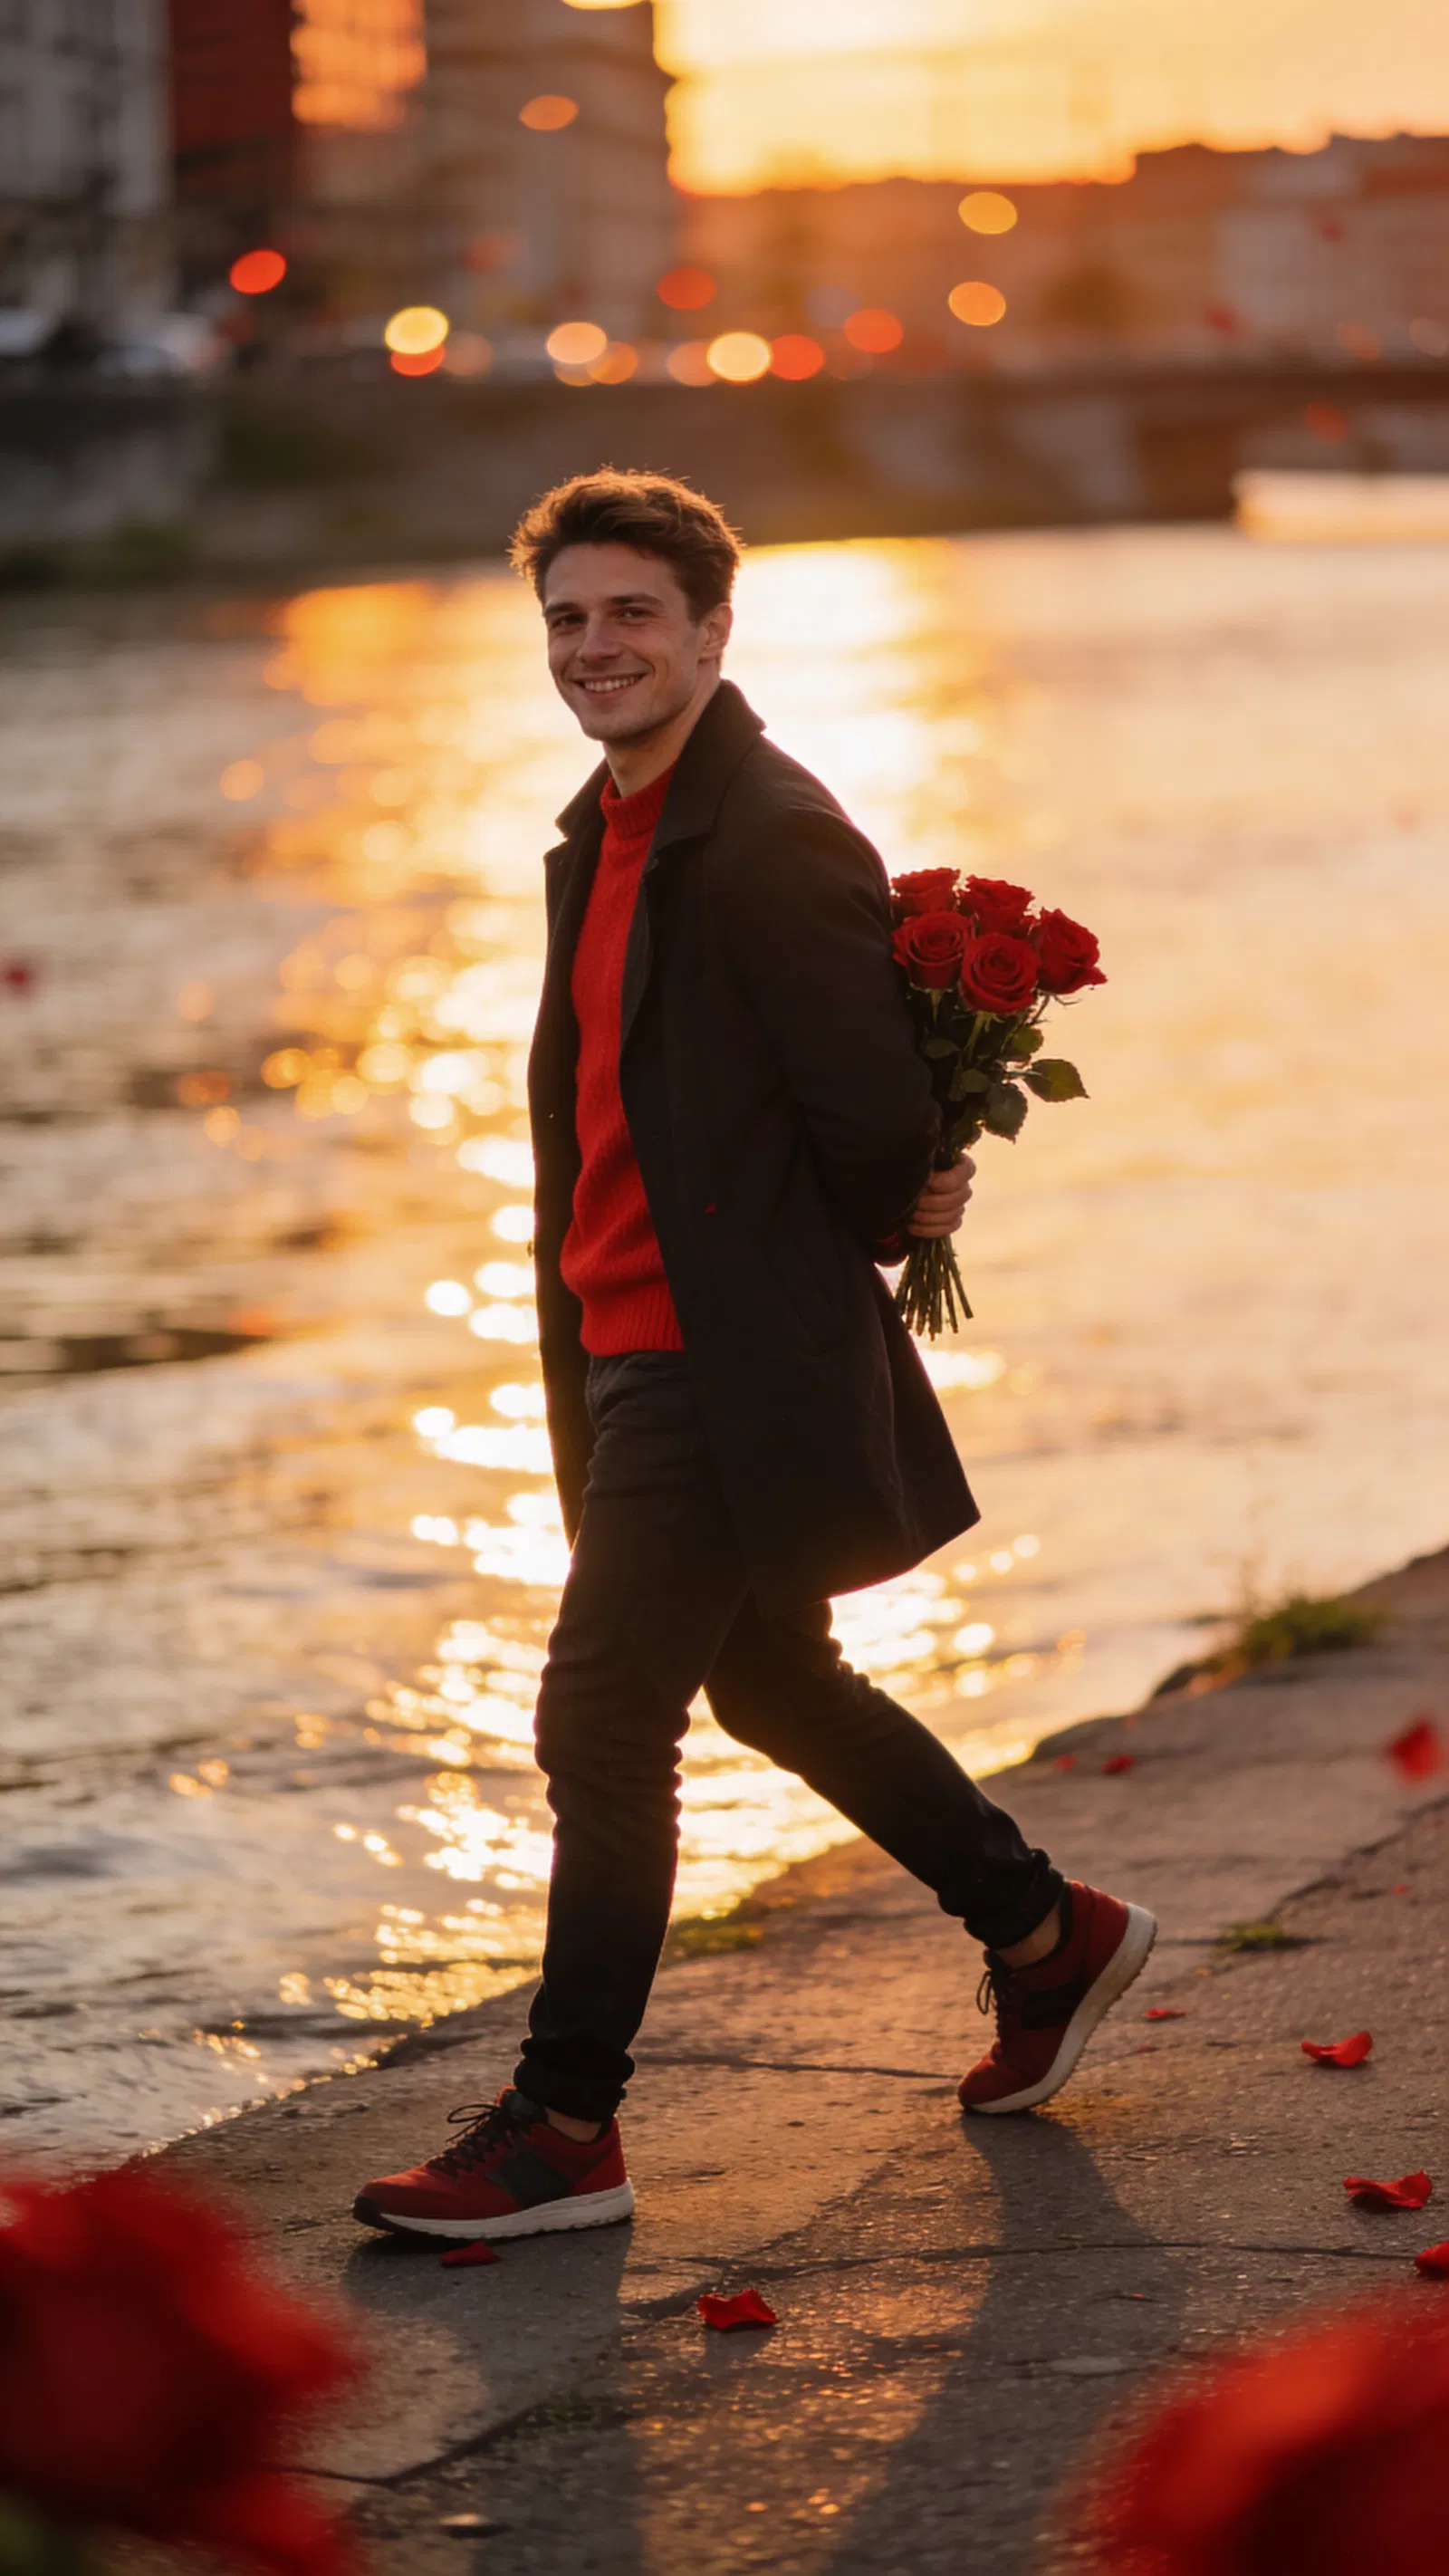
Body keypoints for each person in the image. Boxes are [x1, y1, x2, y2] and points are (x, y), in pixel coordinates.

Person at [354, 473, 1155, 2244]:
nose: (594, 647)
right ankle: (1047, 1933)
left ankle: (564, 2126)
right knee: (769, 1683)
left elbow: (867, 1115)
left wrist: (908, 1192)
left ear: (713, 631)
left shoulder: (769, 829)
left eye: (631, 613)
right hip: (622, 1339)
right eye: (567, 617)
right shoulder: (603, 829)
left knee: (598, 1717)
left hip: (712, 1357)